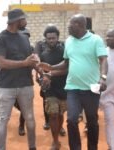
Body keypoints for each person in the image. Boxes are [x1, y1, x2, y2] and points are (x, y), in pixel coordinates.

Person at [38, 14, 108, 150]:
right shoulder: (69, 41)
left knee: (92, 120)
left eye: (71, 24)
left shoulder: (95, 40)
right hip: (72, 88)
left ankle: (92, 147)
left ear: (81, 25)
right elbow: (66, 63)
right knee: (71, 119)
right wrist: (51, 68)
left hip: (91, 88)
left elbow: (103, 60)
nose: (68, 26)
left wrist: (103, 77)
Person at [0, 8, 39, 150]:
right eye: (23, 18)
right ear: (17, 21)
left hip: (26, 84)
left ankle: (32, 147)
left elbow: (31, 59)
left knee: (30, 120)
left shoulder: (24, 38)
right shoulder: (0, 38)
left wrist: (41, 71)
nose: (25, 21)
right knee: (2, 121)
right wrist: (24, 63)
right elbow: (0, 62)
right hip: (6, 86)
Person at [34, 25, 67, 149]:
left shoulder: (64, 51)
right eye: (49, 38)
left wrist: (50, 74)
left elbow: (66, 69)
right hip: (50, 89)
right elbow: (39, 67)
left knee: (60, 114)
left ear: (58, 38)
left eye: (53, 38)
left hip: (63, 87)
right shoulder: (43, 53)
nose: (51, 40)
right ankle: (55, 140)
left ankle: (60, 129)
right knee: (53, 115)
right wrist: (43, 76)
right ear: (45, 39)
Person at [100, 29, 114, 150]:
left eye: (110, 37)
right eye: (106, 36)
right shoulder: (103, 54)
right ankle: (111, 147)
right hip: (108, 95)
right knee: (110, 121)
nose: (107, 39)